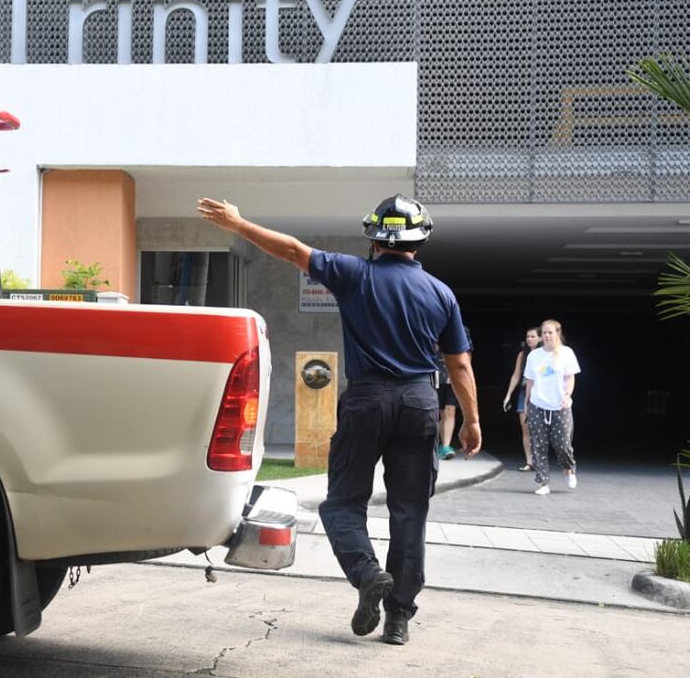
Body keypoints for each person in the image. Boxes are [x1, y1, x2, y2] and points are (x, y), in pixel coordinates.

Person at [197, 193, 480, 647]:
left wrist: (238, 224)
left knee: (342, 503)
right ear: (420, 239)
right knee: (410, 513)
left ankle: (367, 573)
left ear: (373, 237)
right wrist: (471, 421)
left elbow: (291, 250)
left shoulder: (354, 274)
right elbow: (460, 364)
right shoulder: (441, 294)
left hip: (367, 399)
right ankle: (399, 619)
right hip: (420, 403)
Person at [522, 319, 581, 496]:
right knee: (538, 445)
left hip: (560, 406)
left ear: (557, 334)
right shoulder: (534, 356)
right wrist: (527, 404)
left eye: (550, 332)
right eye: (544, 333)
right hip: (538, 405)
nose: (547, 336)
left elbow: (570, 377)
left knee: (562, 444)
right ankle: (543, 482)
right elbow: (530, 382)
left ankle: (568, 469)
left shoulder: (566, 353)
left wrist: (567, 395)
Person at [502, 326, 541, 472]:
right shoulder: (523, 354)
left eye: (533, 336)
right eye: (528, 337)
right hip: (524, 392)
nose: (529, 339)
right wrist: (508, 395)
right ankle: (529, 461)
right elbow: (516, 374)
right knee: (525, 429)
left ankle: (539, 460)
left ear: (540, 338)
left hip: (541, 393)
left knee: (539, 429)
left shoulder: (545, 354)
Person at [435, 326, 471, 461]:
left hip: (453, 376)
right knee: (437, 412)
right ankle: (435, 444)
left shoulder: (462, 330)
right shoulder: (434, 324)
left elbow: (467, 354)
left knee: (450, 410)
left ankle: (445, 446)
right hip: (435, 374)